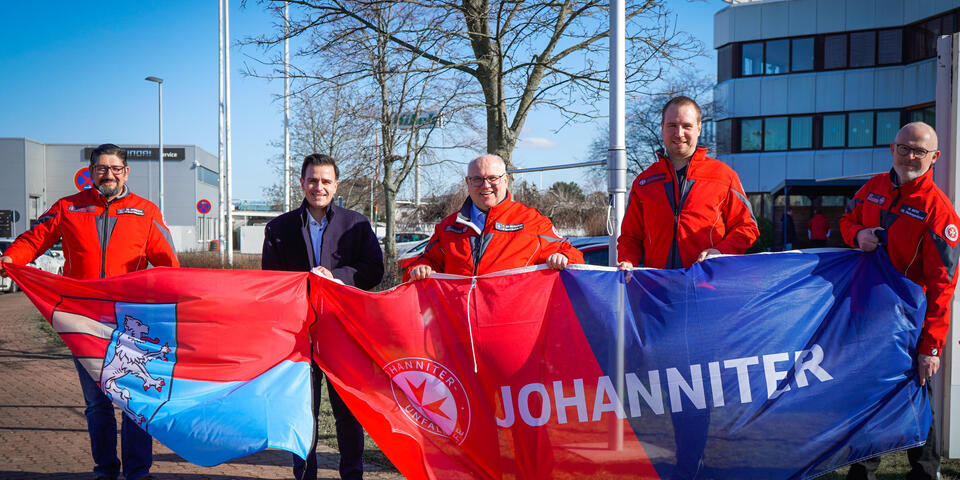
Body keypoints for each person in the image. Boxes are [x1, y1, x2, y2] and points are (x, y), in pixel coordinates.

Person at [1, 143, 178, 480]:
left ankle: (138, 473)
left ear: (126, 172)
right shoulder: (69, 207)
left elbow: (170, 265)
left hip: (129, 322)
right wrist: (12, 259)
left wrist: (177, 301)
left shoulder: (146, 212)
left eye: (114, 168)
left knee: (132, 404)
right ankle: (105, 471)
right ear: (91, 171)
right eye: (101, 168)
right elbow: (34, 238)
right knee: (97, 403)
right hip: (82, 321)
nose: (107, 175)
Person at [840, 122, 960, 480]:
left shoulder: (940, 213)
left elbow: (944, 286)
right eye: (904, 148)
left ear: (934, 157)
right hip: (864, 315)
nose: (909, 156)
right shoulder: (873, 188)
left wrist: (931, 347)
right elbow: (846, 221)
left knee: (913, 397)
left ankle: (925, 473)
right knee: (866, 393)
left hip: (909, 322)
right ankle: (862, 472)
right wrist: (858, 233)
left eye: (919, 151)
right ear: (892, 149)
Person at [261, 153, 383, 480]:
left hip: (344, 334)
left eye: (325, 181)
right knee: (303, 416)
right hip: (300, 338)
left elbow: (374, 269)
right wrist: (305, 281)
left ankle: (352, 475)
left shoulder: (356, 224)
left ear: (336, 185)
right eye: (312, 180)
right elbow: (270, 283)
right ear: (302, 183)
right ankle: (305, 476)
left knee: (348, 415)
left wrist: (337, 276)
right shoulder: (278, 228)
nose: (319, 187)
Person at [617, 96, 759, 270]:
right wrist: (627, 260)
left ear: (699, 129)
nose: (679, 133)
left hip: (708, 288)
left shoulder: (724, 176)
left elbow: (747, 228)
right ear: (662, 128)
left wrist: (721, 251)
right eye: (672, 126)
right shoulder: (643, 182)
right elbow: (630, 237)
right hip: (657, 290)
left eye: (687, 126)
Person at [407, 154, 583, 280]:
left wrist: (564, 257)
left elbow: (574, 257)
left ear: (505, 179)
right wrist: (419, 268)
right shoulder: (448, 227)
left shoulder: (532, 221)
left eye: (492, 178)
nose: (485, 185)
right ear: (468, 183)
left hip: (512, 326)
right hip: (461, 326)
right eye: (477, 179)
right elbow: (426, 262)